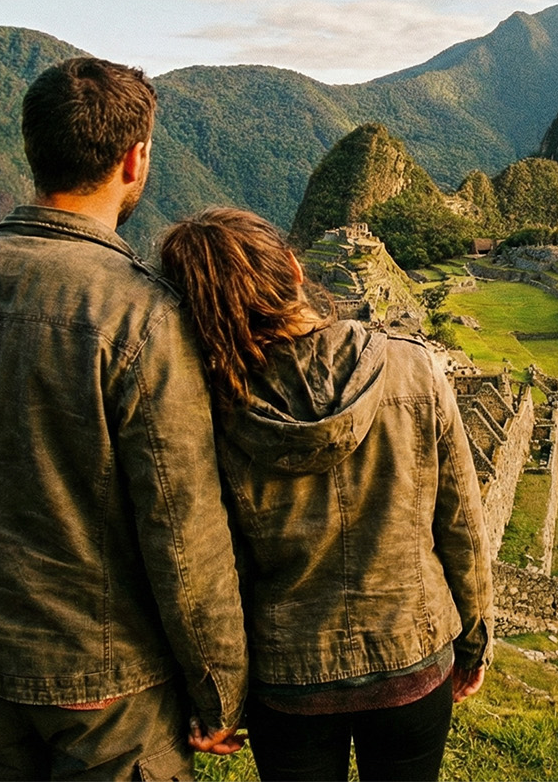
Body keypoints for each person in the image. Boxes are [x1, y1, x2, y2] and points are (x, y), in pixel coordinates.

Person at [0, 58, 248, 781]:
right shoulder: (142, 316)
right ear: (135, 159)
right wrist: (219, 687)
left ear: (33, 150)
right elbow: (182, 532)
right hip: (107, 682)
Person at [158, 208, 492, 782]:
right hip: (411, 658)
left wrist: (218, 695)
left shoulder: (211, 412)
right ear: (294, 268)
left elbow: (205, 567)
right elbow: (461, 521)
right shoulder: (414, 370)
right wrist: (475, 637)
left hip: (290, 677)